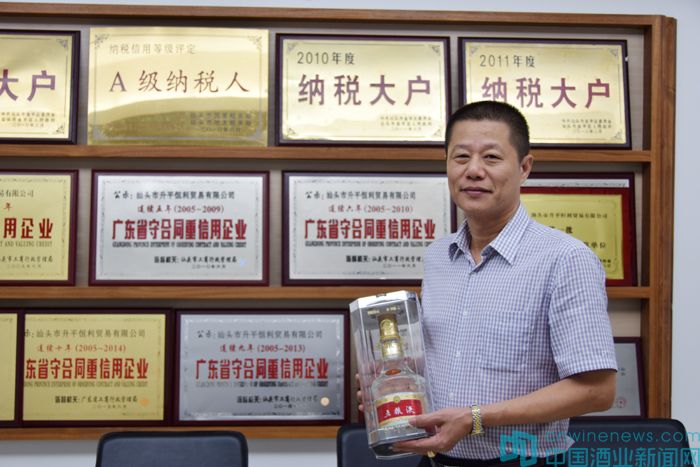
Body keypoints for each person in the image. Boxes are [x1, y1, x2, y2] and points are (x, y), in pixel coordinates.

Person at [359, 101, 617, 467]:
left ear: (524, 167)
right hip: (435, 460)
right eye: (461, 157)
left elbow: (597, 391)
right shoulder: (438, 256)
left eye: (492, 157)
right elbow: (446, 359)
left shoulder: (565, 258)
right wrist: (394, 382)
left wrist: (475, 418)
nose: (474, 171)